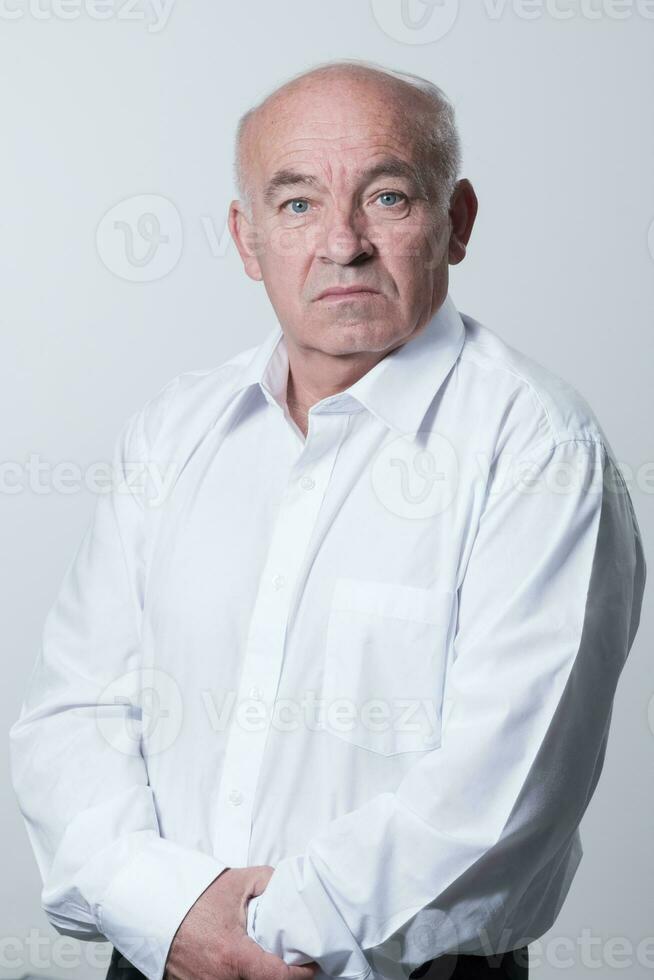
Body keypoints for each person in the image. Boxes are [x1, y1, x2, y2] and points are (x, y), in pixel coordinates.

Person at [9, 58, 645, 980]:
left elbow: (500, 798)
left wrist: (257, 938)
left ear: (456, 222)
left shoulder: (538, 449)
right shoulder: (174, 431)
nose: (341, 243)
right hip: (162, 957)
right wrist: (173, 914)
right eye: (297, 204)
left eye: (387, 198)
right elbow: (72, 712)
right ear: (246, 237)